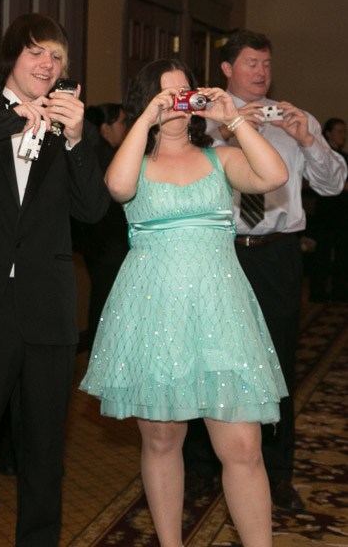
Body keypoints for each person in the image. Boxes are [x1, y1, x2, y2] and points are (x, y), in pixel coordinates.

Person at [80, 58, 289, 547]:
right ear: (146, 101)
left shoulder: (220, 158)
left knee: (242, 447)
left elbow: (274, 174)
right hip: (155, 312)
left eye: (184, 94)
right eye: (164, 95)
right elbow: (117, 188)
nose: (178, 103)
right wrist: (146, 120)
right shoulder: (137, 162)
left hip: (221, 311)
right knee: (160, 440)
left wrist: (231, 116)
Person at [0, 13, 109, 547]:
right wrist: (8, 123)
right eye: (37, 52)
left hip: (46, 312)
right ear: (11, 58)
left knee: (44, 456)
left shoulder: (74, 128)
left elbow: (94, 211)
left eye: (57, 57)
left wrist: (77, 141)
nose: (48, 64)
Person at [181, 30, 347, 512]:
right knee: (207, 360)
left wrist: (308, 140)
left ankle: (276, 472)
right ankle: (200, 466)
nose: (261, 72)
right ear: (227, 69)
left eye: (267, 64)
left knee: (275, 365)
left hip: (276, 253)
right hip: (217, 251)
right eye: (251, 63)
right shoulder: (203, 116)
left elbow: (334, 185)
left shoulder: (295, 118)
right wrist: (229, 130)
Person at [73, 103, 130, 348]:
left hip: (96, 245)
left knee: (103, 299)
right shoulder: (108, 158)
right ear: (106, 128)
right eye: (122, 123)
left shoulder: (97, 152)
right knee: (107, 301)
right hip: (107, 246)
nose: (126, 129)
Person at [307, 117, 348, 302]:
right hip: (325, 214)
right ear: (329, 134)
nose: (343, 136)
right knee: (321, 256)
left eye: (344, 132)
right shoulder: (322, 156)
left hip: (342, 214)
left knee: (342, 256)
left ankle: (339, 293)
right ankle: (317, 293)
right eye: (339, 131)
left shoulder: (344, 157)